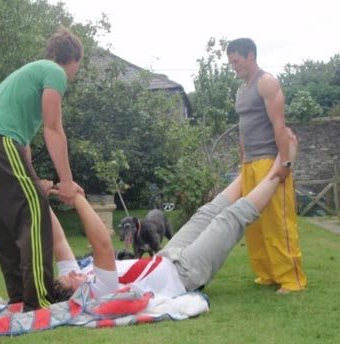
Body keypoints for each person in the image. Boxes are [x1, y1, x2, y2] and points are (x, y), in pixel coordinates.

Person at [54, 130, 300, 299]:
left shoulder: (78, 276)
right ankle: (281, 170)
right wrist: (76, 196)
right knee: (229, 219)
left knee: (207, 212)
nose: (76, 272)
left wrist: (39, 194)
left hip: (165, 258)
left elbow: (59, 242)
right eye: (71, 280)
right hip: (185, 274)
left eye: (68, 274)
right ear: (78, 293)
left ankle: (243, 171)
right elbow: (103, 246)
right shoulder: (98, 290)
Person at [0, 27, 84, 311]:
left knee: (5, 222)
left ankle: (20, 297)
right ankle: (40, 298)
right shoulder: (54, 72)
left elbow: (24, 145)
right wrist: (66, 182)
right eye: (76, 69)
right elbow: (54, 129)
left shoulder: (30, 76)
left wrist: (32, 179)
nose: (73, 75)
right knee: (35, 214)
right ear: (72, 60)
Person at [226, 38, 307, 294]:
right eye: (230, 62)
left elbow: (279, 124)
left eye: (236, 61)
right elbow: (242, 128)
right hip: (250, 162)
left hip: (269, 161)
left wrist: (285, 162)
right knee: (255, 222)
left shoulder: (266, 82)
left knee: (276, 221)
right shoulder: (241, 90)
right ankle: (267, 274)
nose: (233, 67)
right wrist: (242, 160)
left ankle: (292, 279)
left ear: (251, 56)